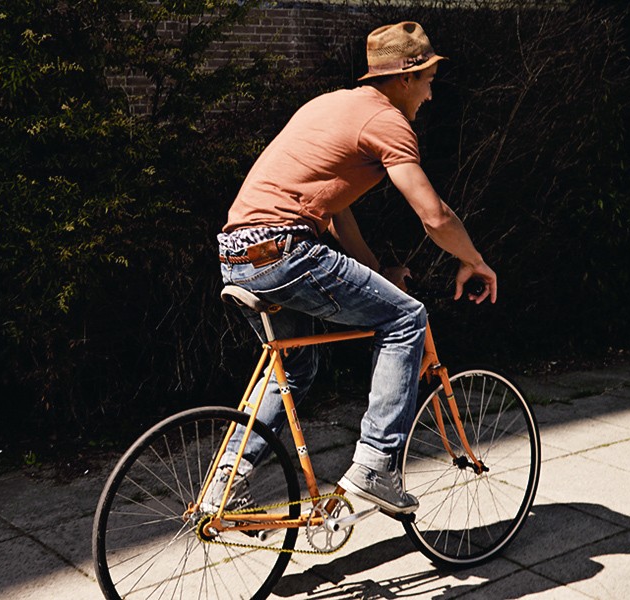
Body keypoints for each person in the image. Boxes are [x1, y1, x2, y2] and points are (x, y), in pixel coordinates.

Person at [210, 21, 497, 515]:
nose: (430, 96)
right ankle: (376, 465)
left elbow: (336, 211)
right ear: (406, 78)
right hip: (283, 250)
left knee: (294, 367)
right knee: (406, 318)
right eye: (428, 81)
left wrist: (378, 272)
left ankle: (226, 482)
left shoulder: (329, 107)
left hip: (236, 254)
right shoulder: (387, 121)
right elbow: (434, 215)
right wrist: (475, 261)